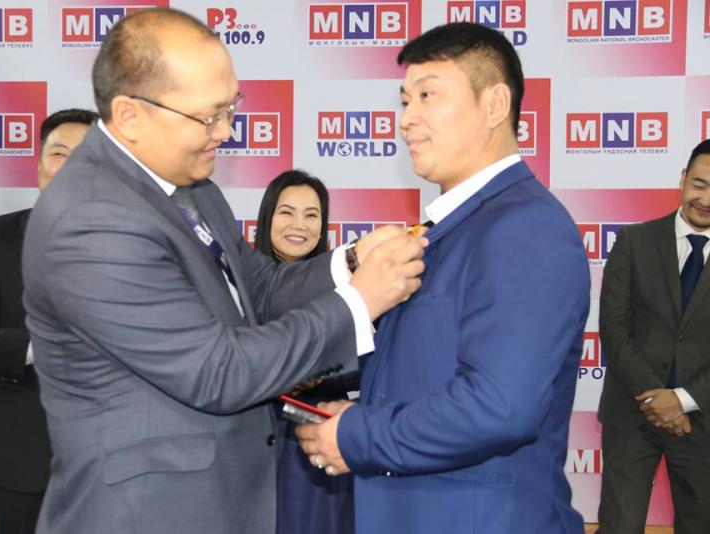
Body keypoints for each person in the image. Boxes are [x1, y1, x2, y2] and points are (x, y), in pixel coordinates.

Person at [21, 9, 426, 534]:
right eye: (207, 117)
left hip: (218, 501)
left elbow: (259, 289)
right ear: (130, 115)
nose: (226, 132)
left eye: (231, 107)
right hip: (149, 514)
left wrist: (351, 264)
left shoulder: (191, 186)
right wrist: (360, 302)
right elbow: (219, 372)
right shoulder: (92, 219)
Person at [296, 22, 591, 534]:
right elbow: (429, 369)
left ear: (495, 105)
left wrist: (359, 435)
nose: (407, 119)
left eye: (428, 96)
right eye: (404, 101)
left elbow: (499, 406)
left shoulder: (525, 227)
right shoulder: (455, 227)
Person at [0, 108, 97, 534]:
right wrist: (37, 348)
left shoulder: (140, 242)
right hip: (22, 449)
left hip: (117, 454)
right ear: (39, 164)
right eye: (59, 153)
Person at [597, 138, 710, 534]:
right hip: (632, 413)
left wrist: (681, 400)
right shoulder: (634, 242)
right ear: (683, 178)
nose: (705, 199)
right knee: (620, 526)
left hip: (702, 417)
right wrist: (656, 399)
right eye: (699, 184)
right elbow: (614, 327)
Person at [253, 170, 355, 534]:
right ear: (268, 217)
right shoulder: (241, 287)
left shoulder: (347, 288)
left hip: (321, 438)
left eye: (311, 215)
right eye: (287, 212)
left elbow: (365, 362)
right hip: (256, 439)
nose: (299, 225)